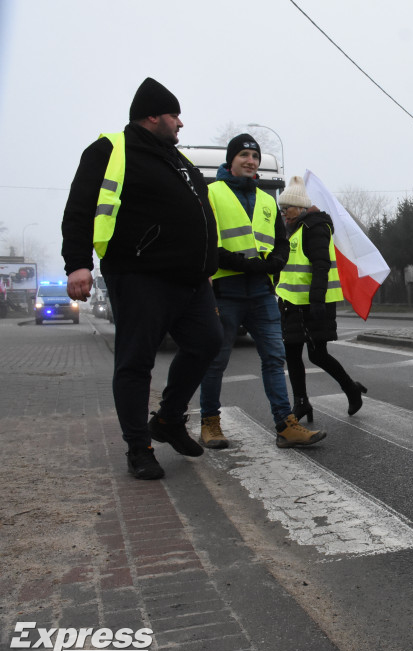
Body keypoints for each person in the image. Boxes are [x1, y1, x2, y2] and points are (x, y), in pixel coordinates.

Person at [61, 77, 223, 480]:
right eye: (174, 115)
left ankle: (168, 420)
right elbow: (80, 205)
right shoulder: (111, 150)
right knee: (135, 363)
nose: (180, 123)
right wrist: (77, 263)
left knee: (207, 342)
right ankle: (139, 447)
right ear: (152, 115)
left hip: (191, 281)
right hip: (140, 274)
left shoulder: (177, 160)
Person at [198, 136, 325, 450]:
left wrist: (278, 261)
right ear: (231, 160)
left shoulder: (268, 200)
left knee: (274, 358)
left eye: (254, 155)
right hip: (226, 290)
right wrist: (245, 264)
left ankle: (285, 425)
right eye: (244, 154)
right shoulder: (212, 193)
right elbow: (206, 243)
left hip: (261, 293)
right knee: (216, 360)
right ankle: (210, 423)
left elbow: (280, 242)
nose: (251, 160)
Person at [276, 176, 368, 418]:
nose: (284, 213)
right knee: (292, 353)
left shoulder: (315, 227)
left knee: (317, 354)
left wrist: (316, 301)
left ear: (303, 208)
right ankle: (302, 402)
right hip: (292, 303)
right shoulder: (293, 229)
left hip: (313, 304)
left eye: (288, 208)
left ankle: (351, 389)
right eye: (282, 209)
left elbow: (320, 265)